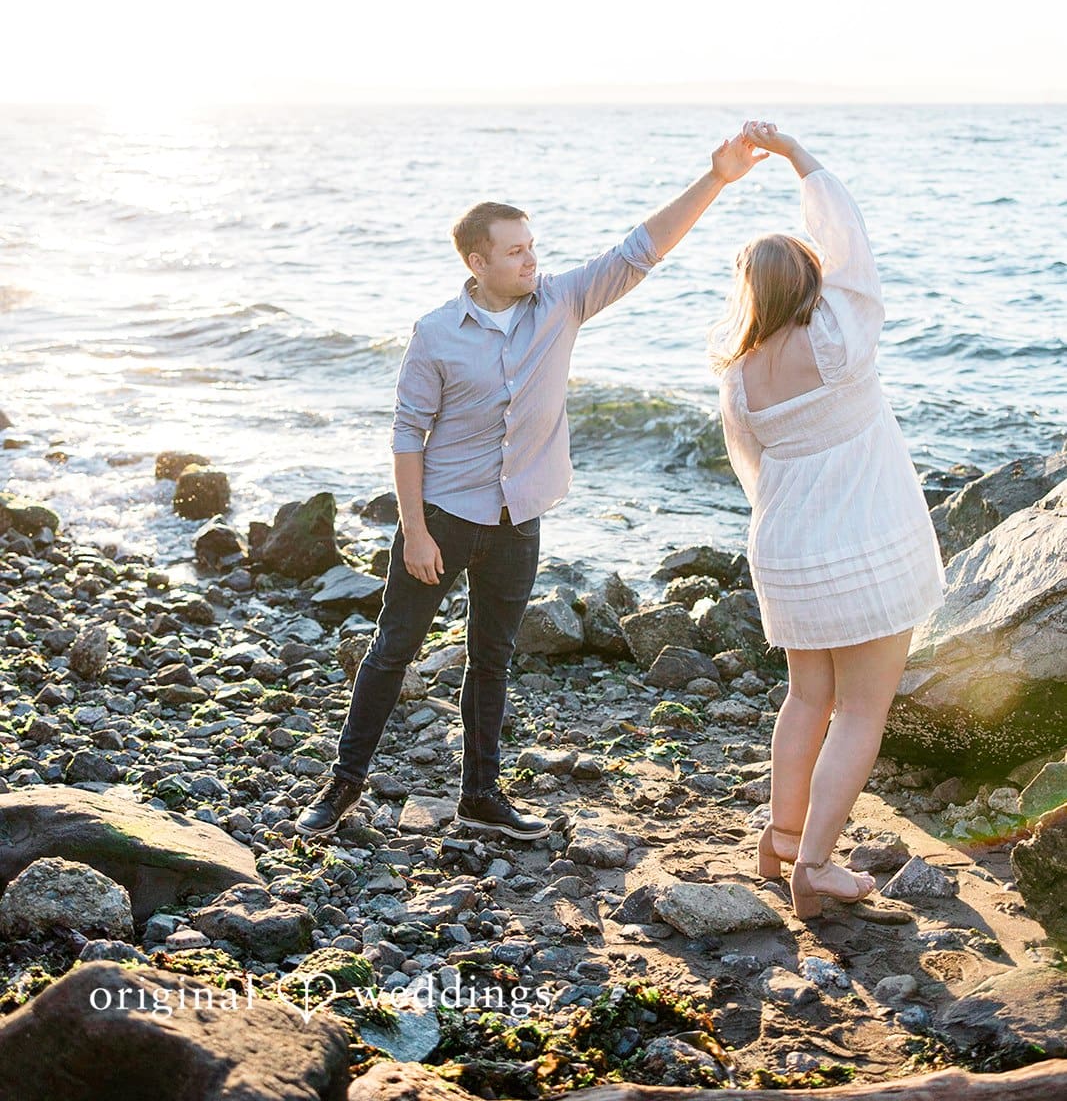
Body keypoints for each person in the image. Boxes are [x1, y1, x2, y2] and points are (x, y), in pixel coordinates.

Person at [296, 130, 769, 841]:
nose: (531, 259)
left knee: (492, 659)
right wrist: (416, 530)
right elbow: (406, 434)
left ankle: (479, 797)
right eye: (515, 251)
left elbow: (639, 250)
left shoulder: (562, 303)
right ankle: (342, 786)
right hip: (444, 518)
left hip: (518, 520)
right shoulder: (435, 333)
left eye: (532, 246)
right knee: (393, 649)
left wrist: (716, 180)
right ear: (477, 262)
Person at [712, 121, 946, 919]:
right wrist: (797, 157)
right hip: (863, 548)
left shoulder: (738, 377)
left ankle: (779, 844)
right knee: (861, 711)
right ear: (809, 281)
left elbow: (755, 472)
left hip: (786, 551)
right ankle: (814, 866)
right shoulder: (842, 337)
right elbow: (850, 238)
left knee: (806, 701)